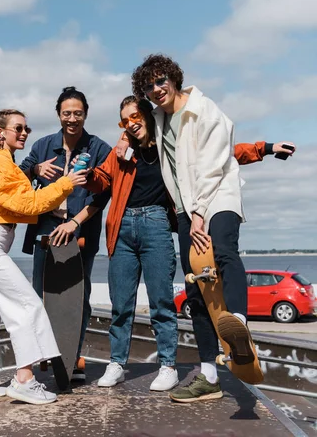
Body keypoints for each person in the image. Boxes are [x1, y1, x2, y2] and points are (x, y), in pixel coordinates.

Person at [130, 54, 295, 403]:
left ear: (174, 79)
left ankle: (237, 324)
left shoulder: (205, 110)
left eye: (161, 82)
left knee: (222, 250)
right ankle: (208, 377)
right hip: (187, 208)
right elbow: (137, 130)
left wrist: (200, 212)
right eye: (149, 87)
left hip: (218, 195)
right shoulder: (158, 117)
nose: (156, 90)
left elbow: (218, 162)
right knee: (196, 287)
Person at [0, 109, 87, 405]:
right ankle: (25, 380)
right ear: (0, 132)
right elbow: (28, 204)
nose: (24, 133)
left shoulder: (2, 165)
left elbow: (3, 198)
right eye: (18, 128)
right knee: (27, 305)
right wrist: (66, 183)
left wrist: (29, 173)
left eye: (26, 128)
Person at [76, 95, 179, 391]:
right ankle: (117, 363)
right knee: (121, 304)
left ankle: (168, 366)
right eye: (125, 121)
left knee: (161, 301)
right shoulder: (121, 152)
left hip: (156, 223)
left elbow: (211, 153)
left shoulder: (168, 143)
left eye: (135, 117)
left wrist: (263, 149)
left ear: (147, 115)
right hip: (121, 227)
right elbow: (103, 181)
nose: (131, 124)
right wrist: (88, 175)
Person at [20, 86, 111, 379]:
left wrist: (76, 222)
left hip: (80, 228)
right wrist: (35, 171)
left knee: (77, 298)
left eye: (78, 113)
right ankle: (45, 355)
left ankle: (73, 357)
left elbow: (104, 194)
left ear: (86, 114)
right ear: (58, 114)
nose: (72, 118)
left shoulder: (99, 148)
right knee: (41, 295)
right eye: (66, 113)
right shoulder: (43, 146)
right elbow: (18, 177)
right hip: (45, 228)